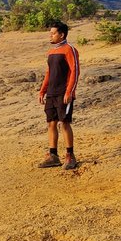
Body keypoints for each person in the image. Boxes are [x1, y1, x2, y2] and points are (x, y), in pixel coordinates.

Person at [37, 21, 79, 169]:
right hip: (52, 93)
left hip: (63, 93)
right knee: (51, 123)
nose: (51, 35)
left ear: (62, 35)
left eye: (53, 33)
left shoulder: (70, 50)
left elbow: (75, 71)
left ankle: (70, 155)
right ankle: (53, 156)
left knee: (64, 123)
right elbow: (48, 73)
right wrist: (43, 90)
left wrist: (69, 91)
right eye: (50, 33)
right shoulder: (51, 52)